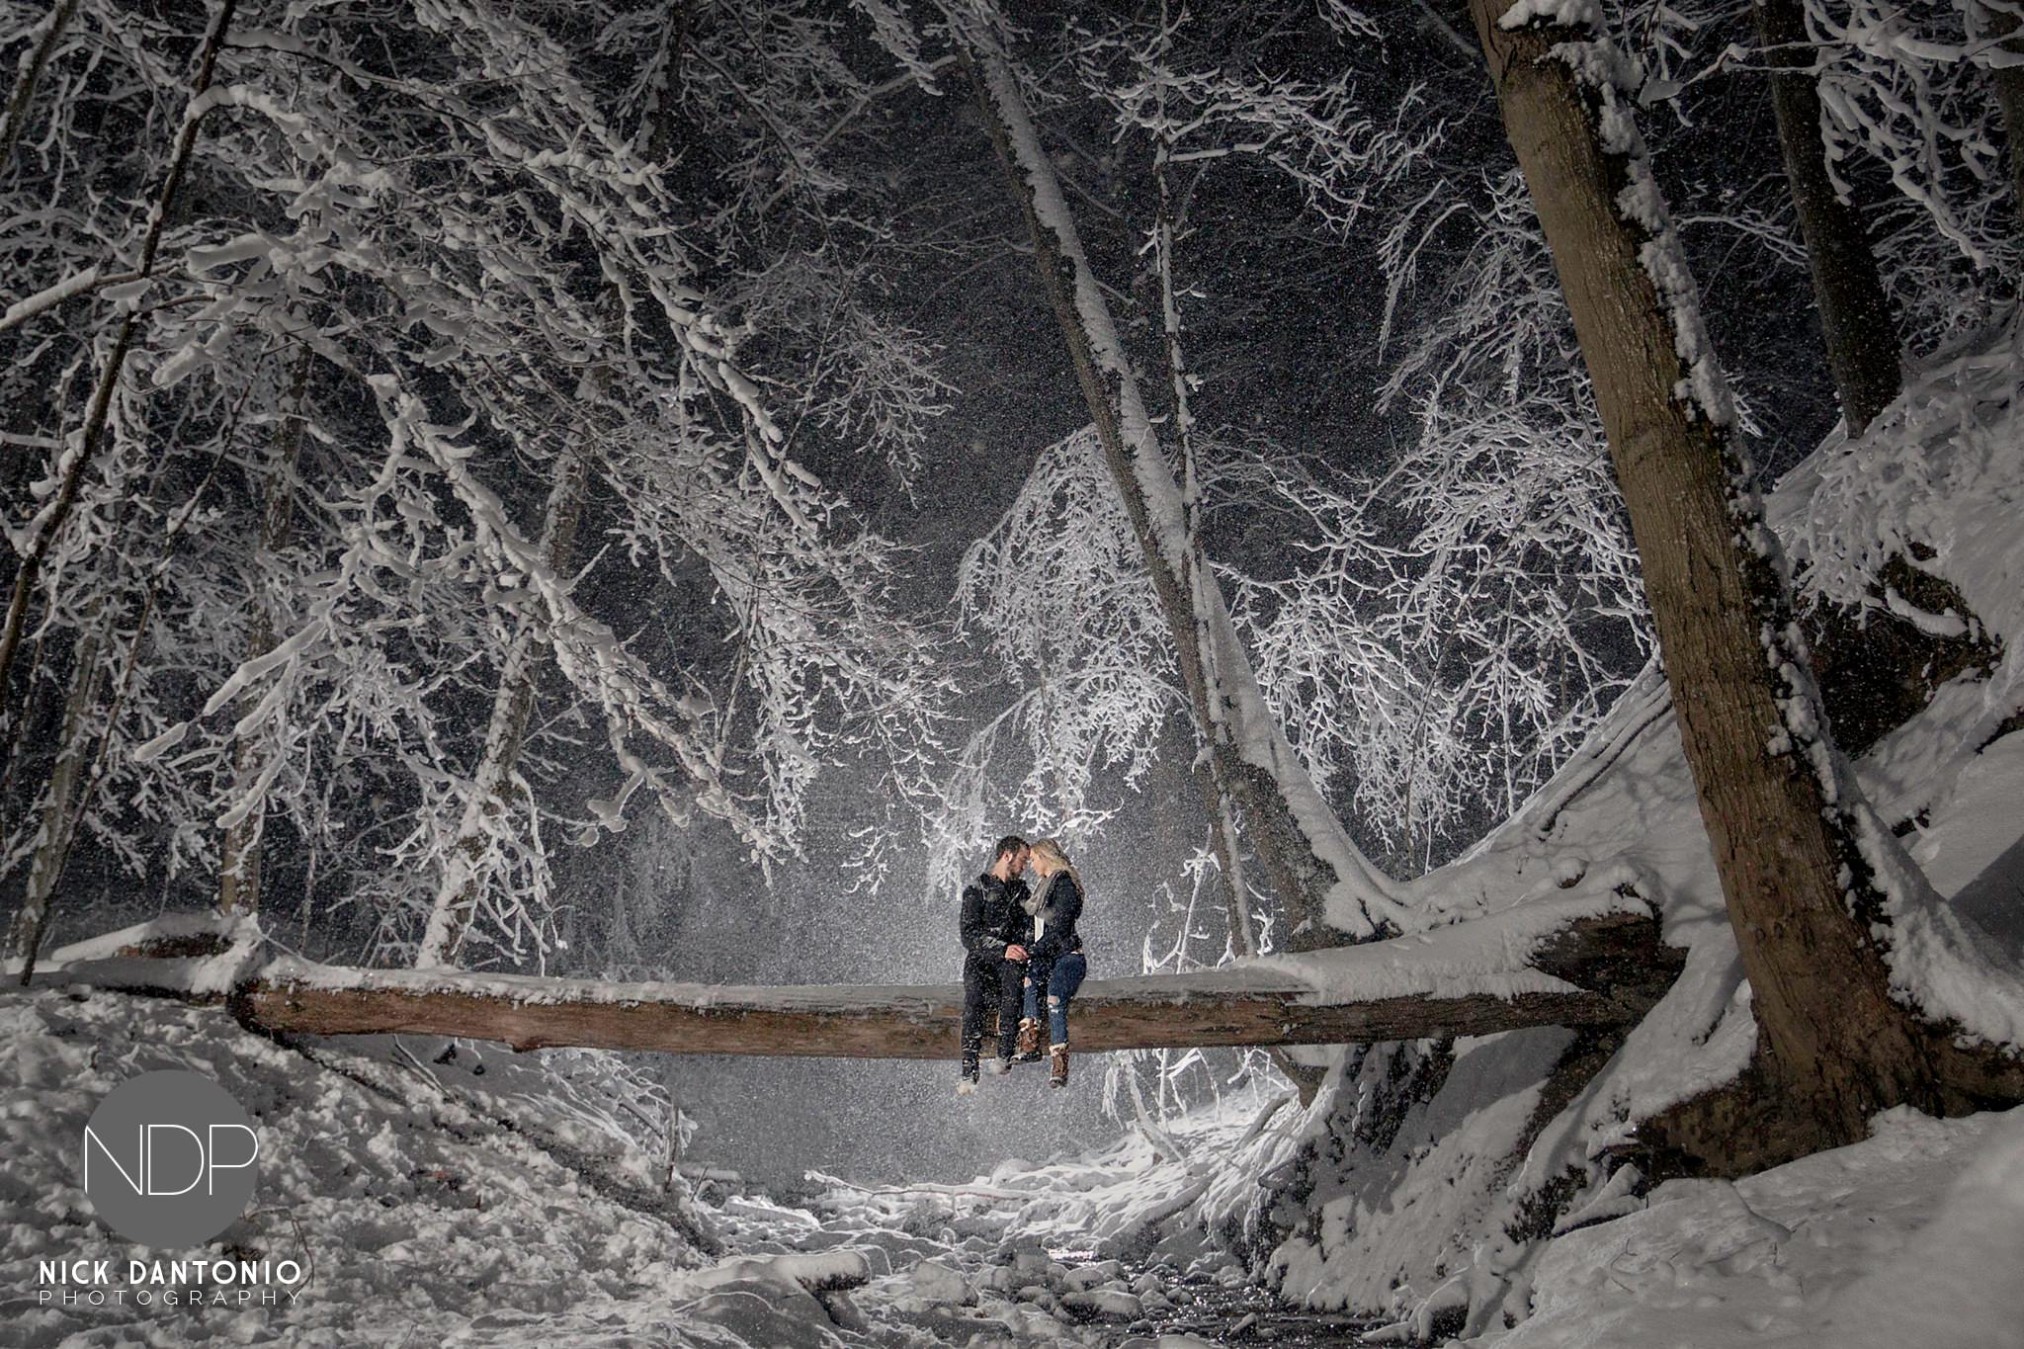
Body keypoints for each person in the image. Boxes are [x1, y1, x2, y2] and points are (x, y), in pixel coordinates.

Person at [957, 834, 1032, 1095]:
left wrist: (1024, 948)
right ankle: (968, 1070)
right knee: (973, 1001)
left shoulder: (1022, 893)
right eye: (1022, 860)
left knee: (1014, 986)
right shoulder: (976, 891)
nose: (1024, 866)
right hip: (982, 961)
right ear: (1007, 855)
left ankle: (1005, 1054)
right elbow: (968, 935)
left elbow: (1030, 928)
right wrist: (1002, 949)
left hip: (1011, 966)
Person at [1015, 837, 1087, 1088]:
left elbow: (1061, 928)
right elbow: (1035, 926)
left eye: (1033, 859)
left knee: (1055, 996)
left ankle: (1059, 1060)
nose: (1032, 865)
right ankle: (1029, 1039)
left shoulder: (1064, 885)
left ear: (1045, 858)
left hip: (1067, 956)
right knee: (1029, 981)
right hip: (1046, 956)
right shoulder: (1043, 888)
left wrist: (1035, 949)